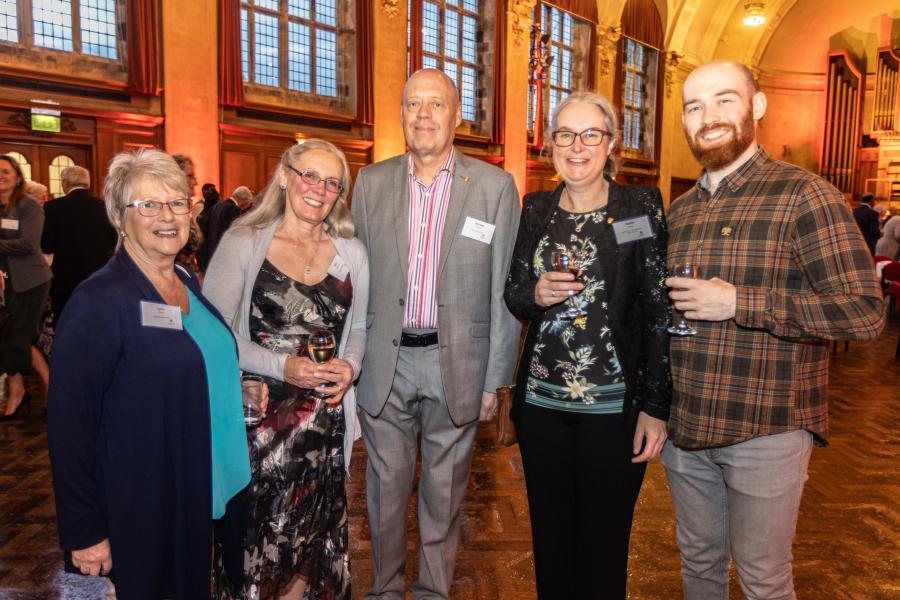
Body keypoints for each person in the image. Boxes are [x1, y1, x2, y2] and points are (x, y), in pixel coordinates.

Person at [663, 60, 886, 600]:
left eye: (724, 100)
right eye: (694, 106)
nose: (708, 116)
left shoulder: (805, 195)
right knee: (697, 567)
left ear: (756, 107)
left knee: (764, 579)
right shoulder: (680, 210)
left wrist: (741, 302)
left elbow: (864, 312)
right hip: (685, 428)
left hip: (766, 430)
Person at [46, 148, 251, 598]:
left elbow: (190, 360)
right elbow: (69, 425)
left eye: (178, 202)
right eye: (149, 205)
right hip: (143, 502)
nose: (168, 216)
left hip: (199, 491)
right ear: (120, 216)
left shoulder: (185, 280)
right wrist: (84, 531)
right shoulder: (100, 301)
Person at [350, 68, 520, 600]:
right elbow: (353, 278)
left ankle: (432, 592)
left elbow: (504, 293)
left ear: (457, 117)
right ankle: (384, 590)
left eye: (436, 105)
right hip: (386, 360)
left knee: (445, 497)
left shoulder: (494, 188)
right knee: (384, 494)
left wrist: (495, 380)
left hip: (460, 365)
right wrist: (350, 359)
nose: (423, 115)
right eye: (413, 104)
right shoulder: (370, 183)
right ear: (400, 115)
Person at [503, 91, 670, 599]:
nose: (577, 146)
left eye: (590, 134)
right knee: (550, 545)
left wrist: (655, 406)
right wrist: (534, 292)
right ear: (550, 144)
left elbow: (656, 309)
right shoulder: (535, 209)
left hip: (613, 408)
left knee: (603, 549)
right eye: (565, 134)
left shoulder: (639, 208)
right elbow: (513, 294)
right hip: (541, 408)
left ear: (611, 143)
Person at [204, 139, 368, 600]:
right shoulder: (244, 242)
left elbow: (359, 329)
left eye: (332, 182)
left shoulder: (351, 252)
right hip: (261, 426)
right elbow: (217, 335)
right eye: (309, 175)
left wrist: (350, 368)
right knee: (261, 542)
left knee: (312, 546)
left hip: (326, 424)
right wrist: (283, 366)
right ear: (284, 176)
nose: (319, 188)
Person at [0, 155, 52, 420]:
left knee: (18, 338)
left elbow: (28, 245)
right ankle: (20, 391)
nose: (1, 176)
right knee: (13, 339)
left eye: (6, 171)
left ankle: (45, 394)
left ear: (17, 177)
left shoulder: (28, 205)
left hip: (31, 281)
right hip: (8, 283)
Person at [41, 165, 117, 322]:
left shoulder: (53, 207)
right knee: (98, 320)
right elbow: (114, 241)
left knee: (66, 321)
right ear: (87, 184)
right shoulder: (105, 206)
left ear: (65, 184)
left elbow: (46, 245)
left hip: (65, 278)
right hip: (99, 274)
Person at [172, 154, 203, 272]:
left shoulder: (183, 207)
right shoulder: (169, 212)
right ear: (176, 177)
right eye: (190, 176)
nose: (195, 182)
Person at [205, 185, 254, 262]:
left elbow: (206, 227)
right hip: (225, 254)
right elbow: (237, 234)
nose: (246, 207)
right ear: (243, 199)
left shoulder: (217, 206)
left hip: (211, 251)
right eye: (247, 203)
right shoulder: (234, 209)